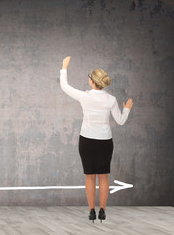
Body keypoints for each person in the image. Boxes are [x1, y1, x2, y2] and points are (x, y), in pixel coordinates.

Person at [60, 56, 133, 223]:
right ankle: (103, 211)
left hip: (86, 141)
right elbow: (121, 121)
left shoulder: (84, 96)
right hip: (105, 142)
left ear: (92, 81)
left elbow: (64, 86)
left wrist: (64, 67)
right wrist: (127, 109)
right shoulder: (111, 99)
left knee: (90, 176)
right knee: (104, 177)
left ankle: (91, 210)